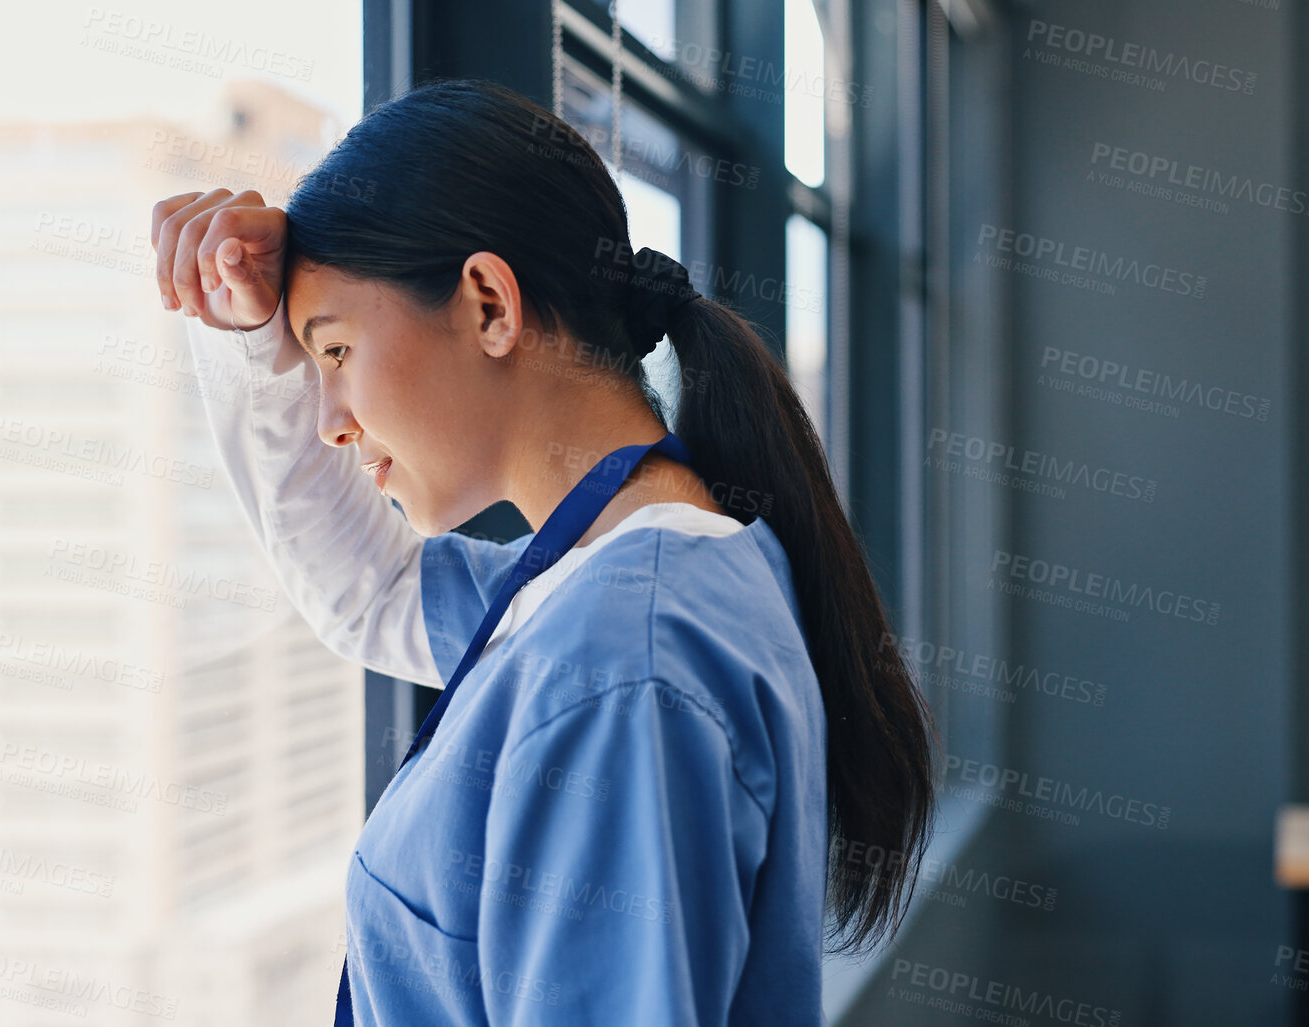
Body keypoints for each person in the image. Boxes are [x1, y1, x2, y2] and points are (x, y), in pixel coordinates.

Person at [150, 78, 938, 1026]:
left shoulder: (622, 656)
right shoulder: (620, 583)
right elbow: (372, 591)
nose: (328, 421)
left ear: (488, 303)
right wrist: (253, 337)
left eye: (334, 353)